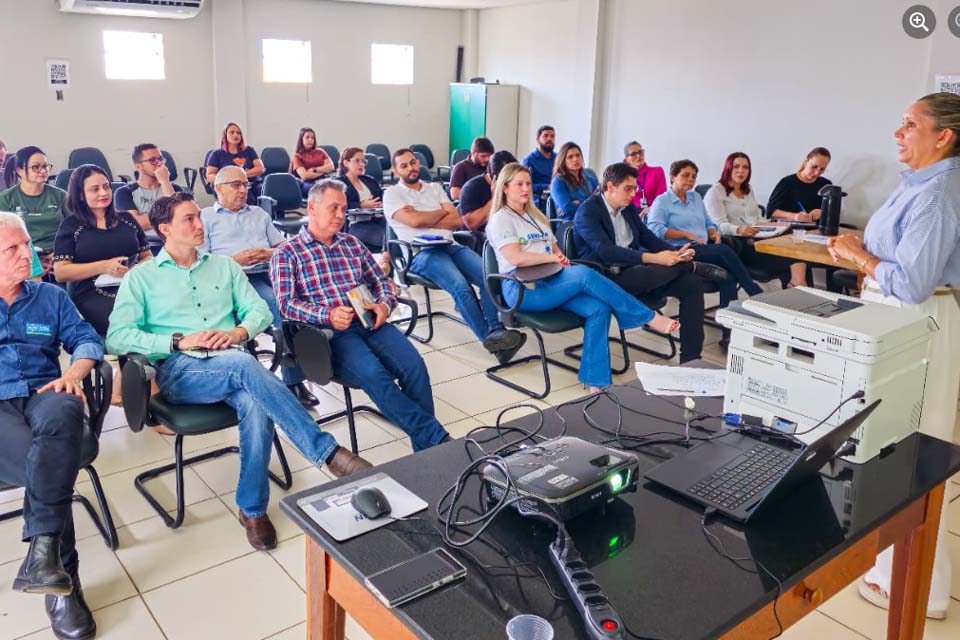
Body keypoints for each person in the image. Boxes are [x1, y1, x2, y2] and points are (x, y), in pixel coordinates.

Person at [106, 192, 371, 551]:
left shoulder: (224, 267)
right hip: (180, 371)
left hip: (232, 361)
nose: (200, 225)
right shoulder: (142, 279)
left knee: (252, 400)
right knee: (246, 365)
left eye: (199, 217)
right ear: (165, 229)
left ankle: (252, 509)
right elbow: (118, 337)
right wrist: (178, 341)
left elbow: (259, 311)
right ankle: (326, 452)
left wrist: (237, 333)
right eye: (189, 220)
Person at [825, 92, 960, 620]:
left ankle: (923, 587)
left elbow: (914, 281)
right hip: (899, 321)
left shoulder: (938, 192)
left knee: (913, 452)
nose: (897, 133)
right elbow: (903, 254)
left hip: (916, 323)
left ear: (942, 135)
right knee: (888, 447)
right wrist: (867, 245)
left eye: (908, 124)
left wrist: (859, 255)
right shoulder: (923, 185)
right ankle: (889, 568)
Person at [272, 179, 451, 451]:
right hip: (331, 334)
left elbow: (380, 281)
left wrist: (384, 304)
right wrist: (327, 314)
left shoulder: (351, 244)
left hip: (370, 321)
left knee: (414, 367)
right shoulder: (288, 253)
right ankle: (437, 442)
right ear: (312, 207)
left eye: (343, 209)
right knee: (374, 374)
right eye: (333, 208)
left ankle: (426, 450)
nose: (340, 216)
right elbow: (286, 304)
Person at [0, 212, 103, 640]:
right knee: (52, 462)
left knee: (64, 409)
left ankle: (47, 562)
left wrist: (76, 373)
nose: (28, 254)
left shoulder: (49, 297)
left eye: (27, 244)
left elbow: (86, 339)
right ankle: (63, 578)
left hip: (45, 391)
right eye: (13, 249)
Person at [487, 163, 678, 392]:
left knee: (598, 308)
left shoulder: (534, 216)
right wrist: (553, 259)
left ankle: (596, 383)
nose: (526, 188)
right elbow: (516, 258)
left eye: (528, 183)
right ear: (505, 188)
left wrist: (559, 257)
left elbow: (554, 248)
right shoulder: (501, 219)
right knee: (584, 275)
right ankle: (647, 317)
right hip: (522, 289)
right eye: (519, 184)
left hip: (550, 281)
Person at [383, 149, 526, 363]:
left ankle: (497, 331)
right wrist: (440, 213)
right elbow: (415, 223)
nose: (411, 167)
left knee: (489, 276)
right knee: (460, 287)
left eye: (413, 162)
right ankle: (491, 340)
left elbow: (457, 220)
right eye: (404, 165)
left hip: (450, 245)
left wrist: (425, 216)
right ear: (396, 171)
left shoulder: (433, 187)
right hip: (421, 253)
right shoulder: (392, 193)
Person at [199, 165, 317, 407]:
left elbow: (285, 249)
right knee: (279, 305)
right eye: (236, 185)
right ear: (218, 188)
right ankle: (294, 379)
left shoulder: (259, 215)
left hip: (267, 273)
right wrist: (235, 261)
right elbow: (201, 261)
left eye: (245, 185)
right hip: (232, 279)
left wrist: (267, 253)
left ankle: (299, 361)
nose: (243, 190)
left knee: (301, 300)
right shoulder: (206, 217)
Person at [573, 162, 706, 363]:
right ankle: (690, 266)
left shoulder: (626, 208)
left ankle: (691, 359)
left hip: (636, 270)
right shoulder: (588, 211)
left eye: (635, 188)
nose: (633, 194)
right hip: (608, 276)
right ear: (610, 186)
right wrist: (655, 258)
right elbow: (606, 252)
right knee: (650, 273)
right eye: (628, 188)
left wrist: (675, 253)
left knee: (692, 284)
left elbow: (647, 237)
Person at [647, 159, 763, 343]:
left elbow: (709, 222)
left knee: (728, 278)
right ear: (672, 177)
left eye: (693, 177)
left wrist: (712, 231)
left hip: (701, 248)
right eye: (685, 175)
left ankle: (728, 332)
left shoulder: (695, 198)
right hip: (678, 250)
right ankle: (754, 292)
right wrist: (685, 234)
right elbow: (655, 231)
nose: (690, 180)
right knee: (723, 251)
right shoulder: (662, 201)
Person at [54, 164, 152, 337]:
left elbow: (147, 256)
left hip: (133, 285)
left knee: (160, 313)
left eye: (106, 186)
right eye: (95, 189)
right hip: (91, 292)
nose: (104, 193)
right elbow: (61, 272)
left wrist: (138, 269)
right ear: (81, 195)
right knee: (123, 318)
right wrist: (104, 267)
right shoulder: (71, 226)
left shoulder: (127, 219)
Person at [704, 152, 807, 288]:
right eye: (736, 166)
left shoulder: (748, 189)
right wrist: (739, 229)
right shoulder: (715, 192)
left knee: (795, 246)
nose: (741, 170)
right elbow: (717, 225)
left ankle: (797, 288)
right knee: (790, 257)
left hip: (759, 236)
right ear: (728, 168)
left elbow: (757, 217)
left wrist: (773, 225)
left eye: (745, 167)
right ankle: (798, 288)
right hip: (739, 244)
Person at [0, 146, 66, 273]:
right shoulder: (5, 199)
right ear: (19, 170)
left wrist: (60, 254)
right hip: (21, 259)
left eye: (46, 166)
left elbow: (75, 230)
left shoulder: (61, 196)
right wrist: (34, 262)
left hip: (58, 259)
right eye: (36, 167)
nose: (43, 170)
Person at [114, 143, 181, 231]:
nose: (159, 163)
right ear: (139, 166)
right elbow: (136, 223)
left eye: (160, 159)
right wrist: (169, 215)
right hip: (144, 243)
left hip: (171, 242)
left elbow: (180, 215)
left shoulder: (174, 189)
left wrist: (165, 181)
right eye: (152, 160)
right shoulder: (124, 192)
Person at [334, 147, 385, 251]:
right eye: (357, 160)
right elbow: (337, 206)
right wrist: (360, 205)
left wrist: (381, 204)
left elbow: (382, 198)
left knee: (398, 230)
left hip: (377, 219)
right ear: (346, 162)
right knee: (386, 236)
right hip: (355, 224)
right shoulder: (338, 184)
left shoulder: (369, 180)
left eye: (363, 161)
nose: (361, 164)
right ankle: (386, 261)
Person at [766, 147, 832, 222]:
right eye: (814, 167)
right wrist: (795, 216)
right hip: (791, 229)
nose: (817, 173)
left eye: (822, 169)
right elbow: (770, 212)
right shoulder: (787, 182)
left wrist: (822, 212)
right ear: (806, 161)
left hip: (817, 230)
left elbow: (832, 213)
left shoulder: (826, 185)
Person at [458, 150, 517, 233]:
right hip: (482, 236)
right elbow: (471, 224)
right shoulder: (471, 188)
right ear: (494, 175)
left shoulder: (516, 184)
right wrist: (495, 198)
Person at [204, 122, 265, 201]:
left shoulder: (249, 150)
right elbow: (209, 176)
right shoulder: (216, 154)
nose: (235, 135)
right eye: (232, 132)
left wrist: (242, 174)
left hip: (251, 183)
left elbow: (260, 168)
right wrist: (229, 178)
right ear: (225, 135)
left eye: (238, 133)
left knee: (265, 198)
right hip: (229, 185)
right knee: (248, 199)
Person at [550, 142, 598, 220]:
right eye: (570, 157)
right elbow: (568, 209)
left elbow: (602, 202)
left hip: (591, 220)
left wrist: (579, 202)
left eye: (578, 155)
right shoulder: (558, 182)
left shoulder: (590, 179)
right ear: (563, 161)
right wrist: (592, 200)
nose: (575, 159)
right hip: (570, 224)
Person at [623, 141, 667, 214]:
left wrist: (650, 209)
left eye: (640, 152)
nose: (638, 156)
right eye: (633, 154)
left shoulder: (657, 171)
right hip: (629, 213)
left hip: (652, 212)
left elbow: (661, 200)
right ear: (626, 159)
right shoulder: (623, 175)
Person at [291, 127, 334, 198]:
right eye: (307, 137)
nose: (310, 140)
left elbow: (331, 167)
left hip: (324, 179)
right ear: (301, 139)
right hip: (308, 183)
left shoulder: (320, 151)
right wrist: (324, 170)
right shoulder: (297, 156)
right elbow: (305, 176)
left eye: (312, 138)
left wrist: (314, 169)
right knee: (322, 190)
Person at [522, 125, 557, 196]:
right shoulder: (528, 160)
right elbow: (523, 185)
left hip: (558, 197)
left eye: (552, 136)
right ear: (537, 139)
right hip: (539, 200)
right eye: (545, 136)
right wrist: (546, 187)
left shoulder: (559, 158)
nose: (549, 139)